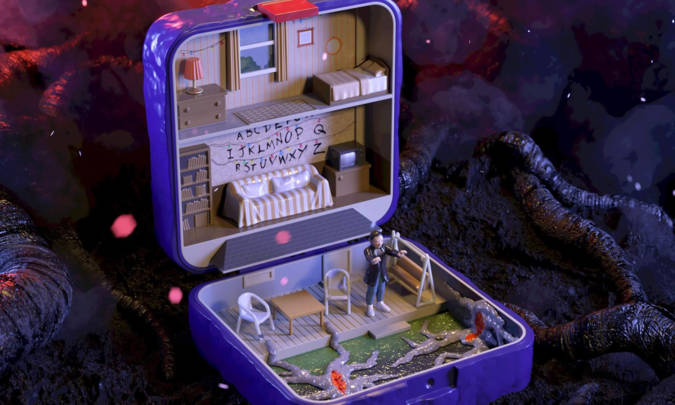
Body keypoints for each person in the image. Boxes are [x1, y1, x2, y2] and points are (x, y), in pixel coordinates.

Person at [363, 229, 407, 317]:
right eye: (376, 241)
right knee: (372, 289)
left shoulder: (384, 247)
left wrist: (398, 254)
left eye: (381, 240)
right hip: (373, 273)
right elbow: (368, 257)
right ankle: (369, 306)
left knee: (382, 287)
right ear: (371, 241)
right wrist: (373, 260)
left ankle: (380, 302)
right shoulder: (368, 250)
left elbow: (391, 251)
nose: (379, 243)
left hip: (382, 272)